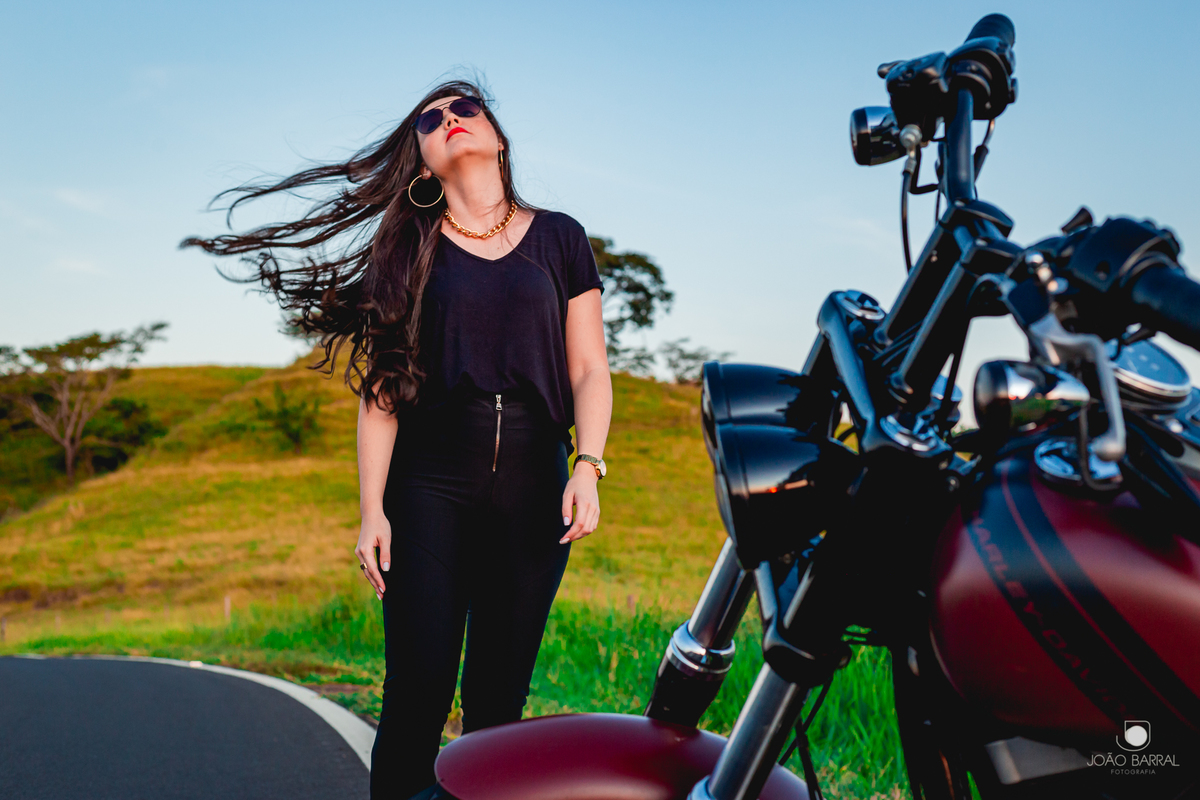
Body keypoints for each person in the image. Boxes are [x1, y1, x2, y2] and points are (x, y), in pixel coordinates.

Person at [181, 79, 612, 799]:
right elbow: (382, 390)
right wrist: (371, 508)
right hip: (429, 487)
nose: (448, 122)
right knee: (417, 695)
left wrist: (588, 463)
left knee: (497, 710)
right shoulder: (406, 248)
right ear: (419, 163)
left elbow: (591, 368)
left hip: (538, 486)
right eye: (430, 120)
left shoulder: (560, 237)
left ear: (497, 138)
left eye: (463, 110)